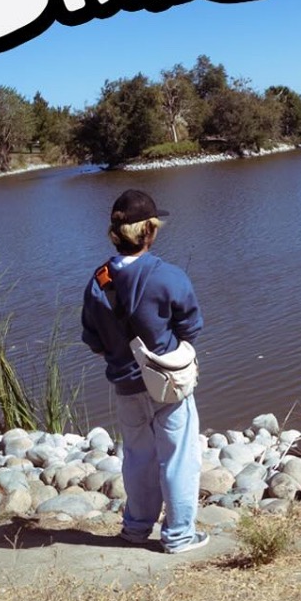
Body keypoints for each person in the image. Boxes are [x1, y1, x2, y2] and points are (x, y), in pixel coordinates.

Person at [81, 188, 207, 554]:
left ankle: (136, 528)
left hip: (125, 386)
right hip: (167, 383)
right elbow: (192, 327)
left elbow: (92, 339)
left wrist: (121, 356)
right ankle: (179, 536)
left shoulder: (98, 280)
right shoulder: (167, 275)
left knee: (137, 458)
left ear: (115, 233)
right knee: (179, 458)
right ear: (148, 231)